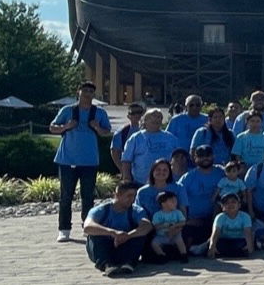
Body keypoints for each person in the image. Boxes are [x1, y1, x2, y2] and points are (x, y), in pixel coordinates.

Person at [50, 81, 112, 242]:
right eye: (84, 90)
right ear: (78, 92)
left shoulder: (99, 113)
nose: (87, 94)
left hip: (89, 160)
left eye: (91, 91)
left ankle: (88, 226)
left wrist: (98, 128)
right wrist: (66, 126)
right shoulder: (67, 110)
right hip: (67, 159)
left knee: (88, 196)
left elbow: (107, 132)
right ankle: (64, 229)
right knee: (65, 196)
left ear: (94, 94)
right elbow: (52, 127)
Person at [83, 181, 150, 276]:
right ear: (117, 195)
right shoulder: (101, 209)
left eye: (134, 196)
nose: (132, 199)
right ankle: (106, 265)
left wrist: (128, 236)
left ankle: (128, 263)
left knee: (140, 235)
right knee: (95, 235)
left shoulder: (136, 210)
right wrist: (113, 233)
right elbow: (88, 227)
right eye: (129, 196)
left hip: (124, 246)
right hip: (103, 249)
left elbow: (146, 226)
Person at [177, 145, 223, 254]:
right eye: (201, 156)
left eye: (208, 155)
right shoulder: (188, 177)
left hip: (215, 218)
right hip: (193, 219)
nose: (205, 158)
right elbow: (177, 198)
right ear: (195, 158)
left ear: (213, 156)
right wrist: (186, 219)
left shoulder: (221, 172)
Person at [121, 108, 180, 184]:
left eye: (159, 117)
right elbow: (126, 160)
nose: (156, 119)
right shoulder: (136, 138)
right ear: (145, 120)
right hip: (141, 182)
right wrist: (127, 179)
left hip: (166, 183)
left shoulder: (171, 138)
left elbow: (179, 159)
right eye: (153, 116)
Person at [209, 193, 255, 258]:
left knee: (242, 245)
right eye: (226, 203)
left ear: (239, 205)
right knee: (216, 244)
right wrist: (212, 247)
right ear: (222, 207)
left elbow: (248, 232)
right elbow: (215, 232)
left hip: (239, 240)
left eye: (233, 202)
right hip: (224, 240)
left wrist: (250, 247)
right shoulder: (220, 217)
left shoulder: (245, 216)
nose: (230, 205)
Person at [148, 190, 188, 263]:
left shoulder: (177, 212)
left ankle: (184, 255)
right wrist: (164, 225)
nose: (175, 203)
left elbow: (183, 222)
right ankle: (161, 255)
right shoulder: (157, 215)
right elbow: (155, 226)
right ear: (163, 203)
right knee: (154, 243)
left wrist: (175, 225)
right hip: (162, 235)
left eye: (176, 201)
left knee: (179, 240)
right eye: (172, 201)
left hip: (175, 234)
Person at [109, 104, 145, 173]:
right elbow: (115, 152)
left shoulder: (152, 130)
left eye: (140, 112)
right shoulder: (122, 132)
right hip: (129, 170)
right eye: (133, 113)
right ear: (128, 116)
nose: (137, 115)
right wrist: (122, 169)